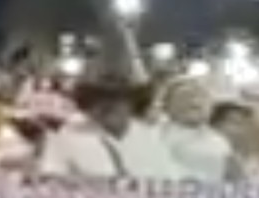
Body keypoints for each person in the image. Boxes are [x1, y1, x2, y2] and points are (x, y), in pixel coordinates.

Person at [39, 76, 181, 180]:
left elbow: (172, 181)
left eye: (118, 97)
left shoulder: (153, 136)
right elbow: (50, 183)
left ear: (134, 102)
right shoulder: (65, 137)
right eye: (97, 97)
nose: (108, 104)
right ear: (87, 104)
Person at [154, 77, 238, 182]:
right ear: (166, 106)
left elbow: (235, 177)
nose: (195, 101)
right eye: (185, 97)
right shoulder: (156, 135)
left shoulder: (219, 140)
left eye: (202, 96)